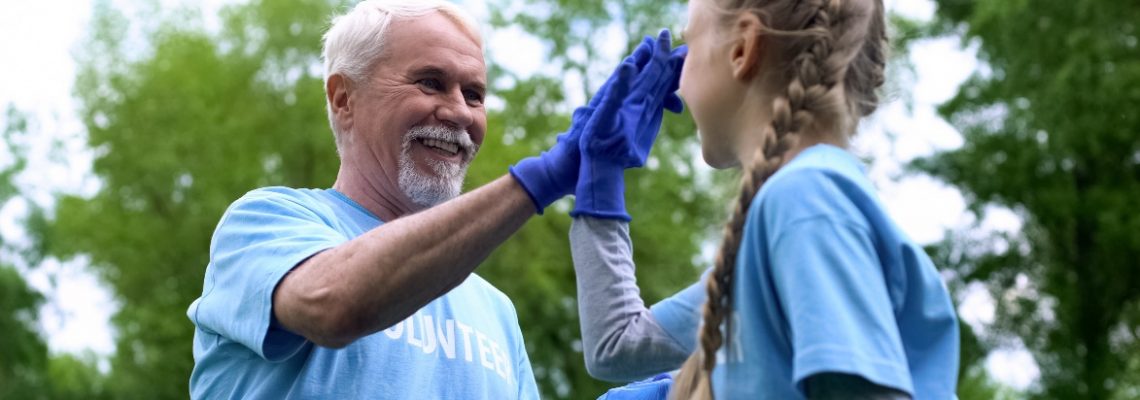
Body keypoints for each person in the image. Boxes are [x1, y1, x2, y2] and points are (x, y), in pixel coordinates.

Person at [184, 0, 685, 398]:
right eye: (430, 82)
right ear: (343, 98)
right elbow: (336, 305)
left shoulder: (494, 309)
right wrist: (543, 178)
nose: (459, 113)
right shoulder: (263, 223)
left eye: (475, 94)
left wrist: (677, 392)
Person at [567, 0, 960, 399]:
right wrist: (601, 178)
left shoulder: (807, 203)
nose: (679, 81)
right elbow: (617, 346)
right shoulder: (788, 217)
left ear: (742, 49)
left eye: (689, 46)